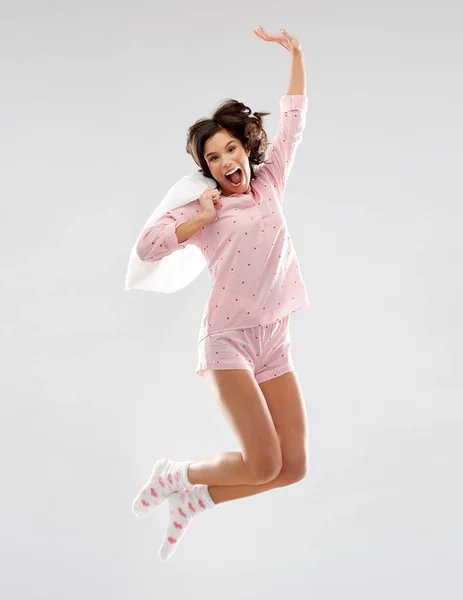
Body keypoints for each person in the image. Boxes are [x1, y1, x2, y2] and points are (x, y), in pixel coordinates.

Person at [132, 26, 310, 561]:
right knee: (262, 463)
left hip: (274, 338)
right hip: (227, 341)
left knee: (292, 467)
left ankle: (197, 501)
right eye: (213, 157)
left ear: (245, 149)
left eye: (231, 148)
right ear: (206, 169)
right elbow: (147, 247)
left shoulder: (270, 182)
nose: (226, 161)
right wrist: (199, 219)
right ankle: (176, 476)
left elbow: (296, 124)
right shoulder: (205, 210)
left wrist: (297, 55)